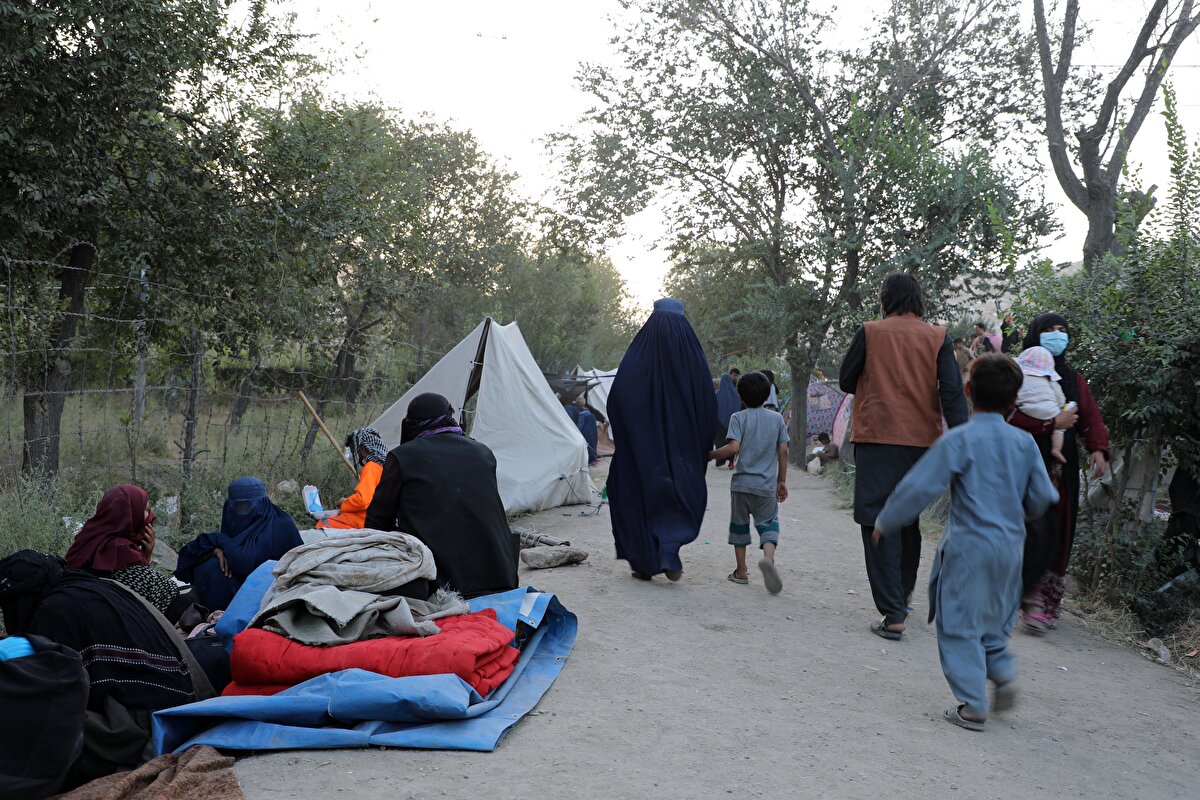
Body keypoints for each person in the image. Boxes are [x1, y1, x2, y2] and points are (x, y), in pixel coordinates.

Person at [871, 354, 1058, 731]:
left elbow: (920, 486)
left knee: (958, 621)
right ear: (1015, 400)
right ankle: (1002, 672)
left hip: (968, 547)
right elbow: (1043, 497)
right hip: (1010, 549)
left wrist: (886, 521)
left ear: (969, 391)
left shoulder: (959, 438)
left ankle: (973, 705)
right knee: (993, 619)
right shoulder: (1025, 443)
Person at [0, 550, 213, 788]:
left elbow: (55, 697)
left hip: (143, 731)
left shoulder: (54, 610)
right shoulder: (98, 586)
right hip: (180, 714)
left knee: (28, 721)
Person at [839, 272, 969, 639]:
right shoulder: (938, 337)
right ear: (918, 301)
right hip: (922, 443)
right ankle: (903, 596)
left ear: (885, 300)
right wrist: (963, 441)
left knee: (876, 519)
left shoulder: (870, 332)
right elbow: (952, 392)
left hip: (876, 438)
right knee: (907, 518)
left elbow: (846, 380)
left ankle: (892, 612)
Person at [364, 392, 519, 598]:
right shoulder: (483, 452)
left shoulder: (402, 457)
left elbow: (377, 521)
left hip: (441, 586)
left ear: (410, 425)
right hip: (501, 576)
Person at [1009, 313, 1109, 627]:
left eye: (1062, 330)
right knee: (1023, 530)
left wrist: (1098, 448)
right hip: (1018, 465)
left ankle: (1036, 596)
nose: (1056, 335)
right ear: (1034, 336)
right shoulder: (1015, 372)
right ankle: (1016, 593)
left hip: (1058, 469)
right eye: (1049, 330)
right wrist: (1051, 423)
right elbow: (1005, 413)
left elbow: (1089, 416)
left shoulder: (1072, 379)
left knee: (1053, 531)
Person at [606, 298, 717, 582]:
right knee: (677, 493)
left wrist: (632, 434)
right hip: (683, 449)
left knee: (635, 492)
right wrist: (700, 442)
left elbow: (618, 398)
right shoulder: (693, 358)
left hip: (640, 447)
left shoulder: (637, 355)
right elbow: (707, 405)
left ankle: (644, 560)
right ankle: (669, 549)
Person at [707, 371, 789, 593]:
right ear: (767, 394)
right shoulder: (777, 419)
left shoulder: (738, 417)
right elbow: (783, 451)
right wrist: (781, 480)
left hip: (741, 484)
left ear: (741, 396)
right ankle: (768, 560)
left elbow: (733, 447)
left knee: (739, 526)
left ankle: (741, 571)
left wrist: (710, 455)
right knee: (769, 524)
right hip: (766, 486)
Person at [63, 484, 190, 621]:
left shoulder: (86, 539)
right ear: (130, 515)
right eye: (146, 510)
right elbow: (159, 595)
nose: (151, 516)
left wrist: (145, 555)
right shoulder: (121, 552)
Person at [175, 477, 302, 611]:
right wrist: (214, 551)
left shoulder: (281, 525)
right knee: (210, 566)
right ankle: (208, 614)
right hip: (236, 584)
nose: (241, 512)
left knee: (215, 570)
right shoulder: (235, 523)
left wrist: (219, 540)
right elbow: (187, 557)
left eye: (246, 506)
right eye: (237, 507)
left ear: (262, 504)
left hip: (269, 591)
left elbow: (245, 562)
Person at [311, 428, 389, 530]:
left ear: (363, 449)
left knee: (325, 522)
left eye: (354, 451)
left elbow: (363, 501)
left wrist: (343, 503)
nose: (354, 456)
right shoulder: (385, 466)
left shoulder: (371, 467)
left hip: (368, 519)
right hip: (382, 517)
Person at [1015, 346, 1069, 466]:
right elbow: (1061, 399)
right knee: (1060, 428)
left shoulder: (1020, 378)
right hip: (1050, 412)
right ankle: (1056, 448)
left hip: (1026, 410)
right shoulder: (1050, 381)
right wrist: (1061, 407)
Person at [714, 371, 741, 469]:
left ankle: (720, 460)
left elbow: (713, 407)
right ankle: (731, 462)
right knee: (731, 441)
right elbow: (739, 407)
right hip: (732, 421)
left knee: (720, 441)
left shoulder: (717, 394)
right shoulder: (736, 395)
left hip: (719, 422)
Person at [564, 395, 601, 466]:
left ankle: (590, 460)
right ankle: (593, 458)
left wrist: (577, 432)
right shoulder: (589, 412)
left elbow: (580, 425)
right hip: (593, 432)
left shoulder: (580, 413)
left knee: (587, 446)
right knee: (593, 444)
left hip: (585, 432)